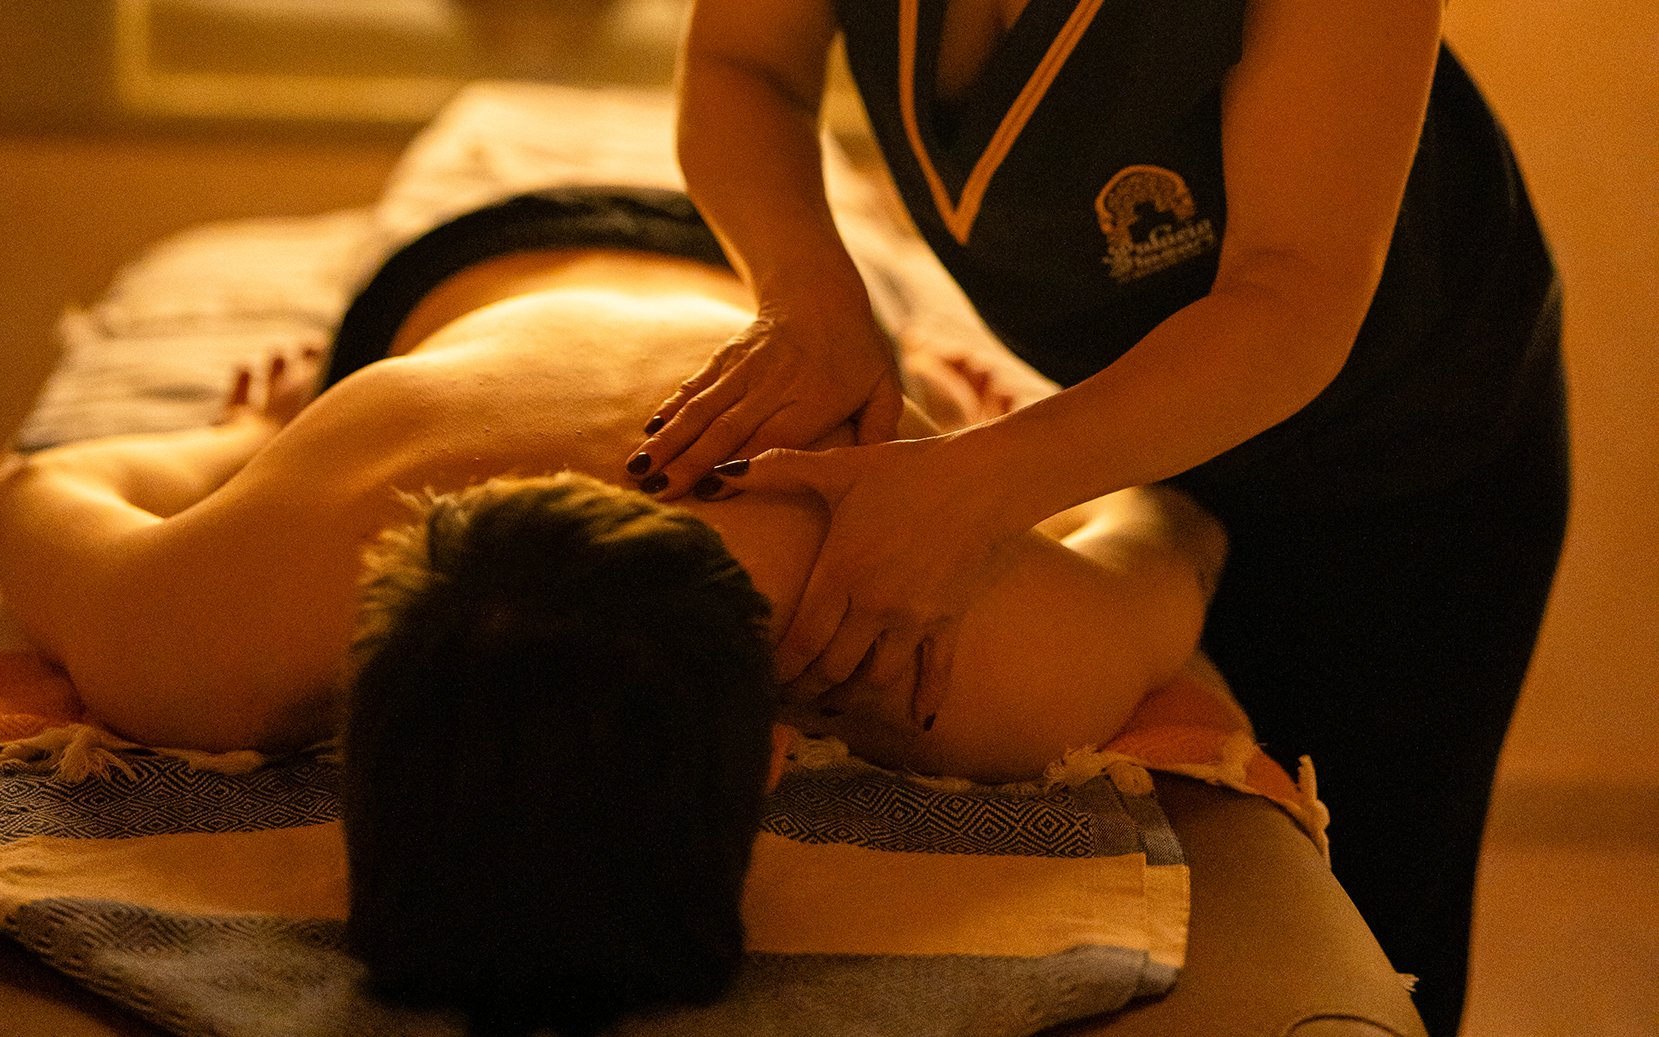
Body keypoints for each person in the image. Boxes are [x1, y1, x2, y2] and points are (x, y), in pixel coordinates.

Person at [0, 187, 1226, 1035]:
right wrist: (1003, 459)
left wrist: (240, 444)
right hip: (790, 312)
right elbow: (1179, 528)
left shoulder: (213, 633)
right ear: (770, 754)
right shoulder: (943, 649)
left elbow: (35, 489)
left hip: (539, 274)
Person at [645, 2, 1569, 1032]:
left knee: (1383, 906)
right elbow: (743, 67)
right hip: (1124, 413)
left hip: (1403, 454)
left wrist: (976, 484)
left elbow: (1293, 292)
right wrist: (809, 295)